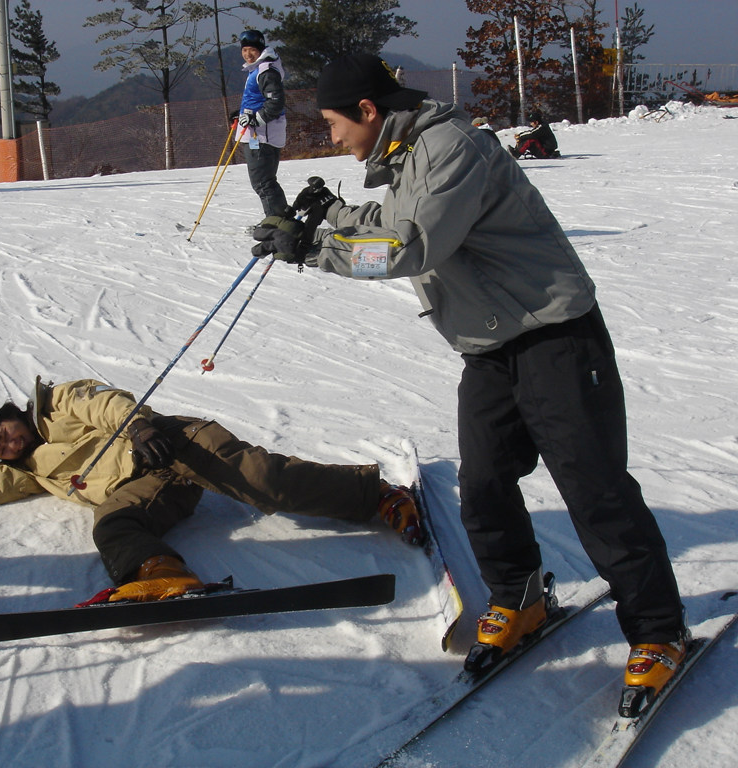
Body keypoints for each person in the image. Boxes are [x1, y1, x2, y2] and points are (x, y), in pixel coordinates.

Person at [247, 52, 687, 715]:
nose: (332, 137)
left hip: (553, 334)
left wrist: (314, 250)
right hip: (491, 345)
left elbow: (410, 246)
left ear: (368, 110)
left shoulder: (449, 146)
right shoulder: (405, 156)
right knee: (483, 484)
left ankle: (658, 630)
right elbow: (394, 223)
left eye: (334, 123)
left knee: (595, 491)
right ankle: (520, 597)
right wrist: (331, 213)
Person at [0, 377, 421, 603]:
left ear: (8, 414)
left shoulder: (56, 403)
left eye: (3, 435)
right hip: (148, 486)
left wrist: (139, 428)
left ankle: (375, 495)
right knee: (111, 523)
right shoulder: (27, 469)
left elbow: (106, 404)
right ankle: (161, 575)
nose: (8, 446)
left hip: (166, 442)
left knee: (263, 483)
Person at [233, 29, 288, 217]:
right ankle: (279, 220)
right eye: (244, 50)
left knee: (263, 182)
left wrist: (255, 118)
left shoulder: (265, 70)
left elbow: (275, 102)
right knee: (265, 181)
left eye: (252, 50)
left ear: (260, 49)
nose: (248, 54)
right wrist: (242, 113)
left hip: (262, 134)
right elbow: (258, 98)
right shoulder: (259, 68)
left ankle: (277, 221)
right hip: (261, 132)